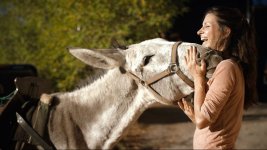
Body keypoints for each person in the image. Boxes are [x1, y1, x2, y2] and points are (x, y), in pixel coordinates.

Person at [177, 6, 258, 149]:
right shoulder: (229, 66)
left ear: (226, 31)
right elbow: (211, 122)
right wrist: (193, 116)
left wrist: (198, 78)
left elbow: (203, 121)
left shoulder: (227, 67)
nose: (199, 31)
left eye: (206, 26)